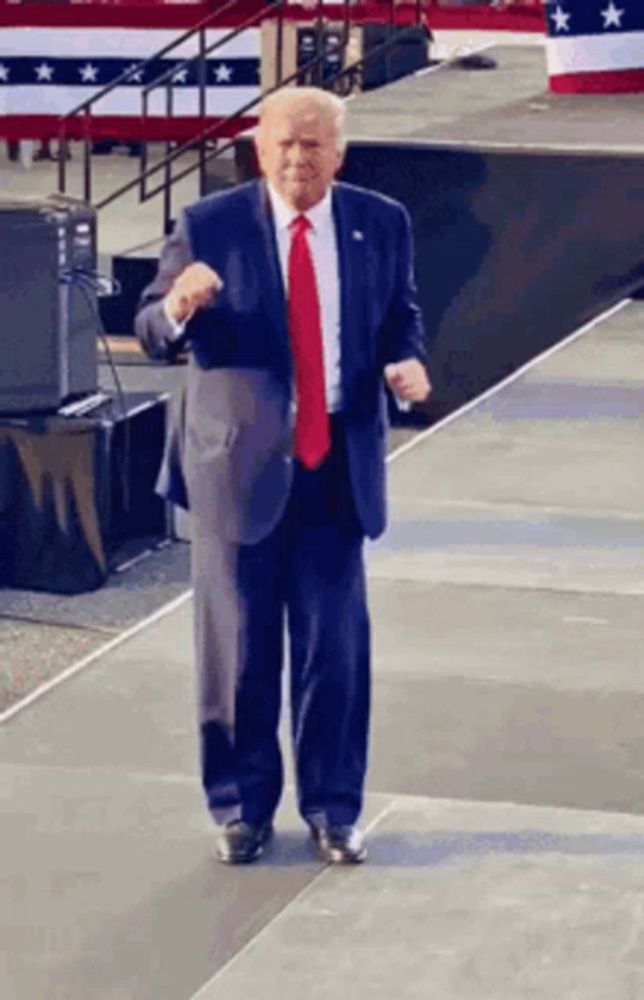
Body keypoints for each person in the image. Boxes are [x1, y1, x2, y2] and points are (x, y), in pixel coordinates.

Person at [135, 86, 431, 865]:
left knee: (335, 652)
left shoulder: (381, 222)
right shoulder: (211, 225)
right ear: (258, 148)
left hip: (336, 465)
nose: (298, 159)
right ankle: (241, 809)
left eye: (314, 146)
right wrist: (179, 308)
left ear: (340, 152)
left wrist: (408, 361)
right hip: (236, 466)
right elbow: (149, 329)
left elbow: (401, 313)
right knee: (238, 652)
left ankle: (334, 809)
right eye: (284, 145)